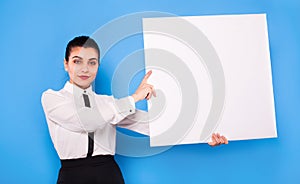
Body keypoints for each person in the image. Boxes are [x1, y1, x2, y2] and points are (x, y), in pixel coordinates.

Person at [41, 36, 228, 184]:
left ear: (98, 66)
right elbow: (87, 121)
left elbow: (151, 125)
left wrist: (204, 135)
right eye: (77, 61)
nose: (85, 69)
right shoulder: (52, 98)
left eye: (92, 62)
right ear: (66, 64)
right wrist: (134, 98)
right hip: (73, 176)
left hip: (109, 174)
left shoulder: (109, 103)